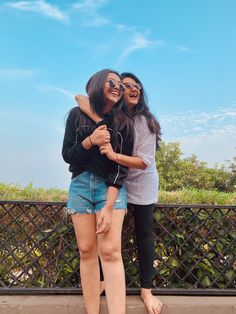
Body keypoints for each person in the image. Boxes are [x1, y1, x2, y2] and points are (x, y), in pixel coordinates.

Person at [75, 72, 162, 314]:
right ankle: (104, 281)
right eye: (126, 86)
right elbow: (80, 98)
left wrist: (113, 155)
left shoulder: (146, 121)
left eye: (137, 86)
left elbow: (144, 161)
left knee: (144, 233)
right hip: (115, 182)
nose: (133, 89)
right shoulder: (114, 117)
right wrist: (100, 123)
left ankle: (146, 290)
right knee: (109, 238)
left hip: (141, 182)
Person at [62, 69, 133, 314]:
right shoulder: (75, 116)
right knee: (87, 251)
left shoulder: (124, 123)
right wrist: (89, 141)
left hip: (110, 189)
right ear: (97, 84)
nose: (117, 87)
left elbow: (120, 168)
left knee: (111, 251)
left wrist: (109, 206)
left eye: (120, 86)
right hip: (80, 185)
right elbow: (68, 155)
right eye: (110, 82)